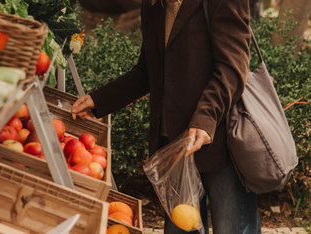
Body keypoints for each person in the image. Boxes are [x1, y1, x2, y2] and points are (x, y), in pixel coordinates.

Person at [71, 0, 261, 233]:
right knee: (181, 230)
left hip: (220, 141)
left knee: (232, 229)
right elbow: (147, 71)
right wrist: (99, 100)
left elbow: (232, 69)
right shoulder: (154, 5)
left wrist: (204, 120)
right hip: (174, 148)